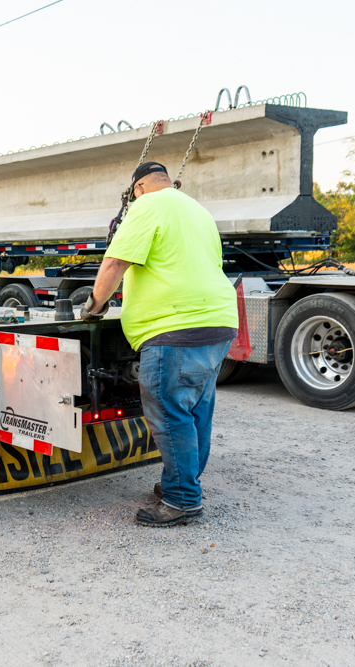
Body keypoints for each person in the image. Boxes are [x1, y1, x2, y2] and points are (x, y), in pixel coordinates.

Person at [81, 161, 238, 527]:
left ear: (138, 189)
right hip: (217, 322)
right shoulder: (197, 209)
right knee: (196, 409)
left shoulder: (146, 206)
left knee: (169, 413)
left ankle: (183, 500)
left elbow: (116, 261)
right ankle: (180, 484)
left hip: (175, 327)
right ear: (169, 181)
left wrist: (94, 306)